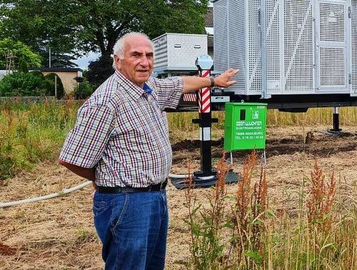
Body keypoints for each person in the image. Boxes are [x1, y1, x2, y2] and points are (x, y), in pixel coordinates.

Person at [58, 32, 238, 269]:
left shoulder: (148, 87)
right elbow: (73, 159)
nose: (145, 61)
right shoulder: (107, 100)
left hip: (155, 196)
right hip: (127, 201)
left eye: (149, 55)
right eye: (136, 55)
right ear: (118, 60)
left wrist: (214, 81)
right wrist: (102, 180)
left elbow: (180, 84)